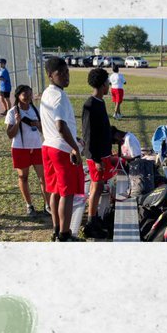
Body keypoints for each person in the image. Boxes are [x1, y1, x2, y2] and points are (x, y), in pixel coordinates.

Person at [39, 56, 85, 242]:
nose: (66, 76)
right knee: (67, 193)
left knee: (55, 191)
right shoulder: (59, 96)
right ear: (51, 75)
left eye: (67, 72)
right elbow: (60, 125)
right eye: (61, 73)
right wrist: (74, 147)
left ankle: (56, 229)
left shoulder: (46, 93)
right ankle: (65, 234)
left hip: (48, 146)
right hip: (61, 149)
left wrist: (73, 138)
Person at [81, 67, 117, 240]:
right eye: (108, 83)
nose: (109, 86)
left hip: (103, 153)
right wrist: (95, 159)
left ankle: (94, 218)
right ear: (103, 85)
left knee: (100, 185)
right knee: (96, 187)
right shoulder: (90, 104)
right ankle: (90, 222)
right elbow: (89, 135)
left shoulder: (100, 102)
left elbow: (102, 130)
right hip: (96, 156)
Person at [4, 85, 48, 218]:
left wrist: (38, 124)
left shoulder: (36, 110)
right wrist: (17, 123)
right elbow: (10, 134)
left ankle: (47, 205)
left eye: (30, 94)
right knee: (23, 177)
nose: (29, 97)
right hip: (20, 149)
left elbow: (43, 130)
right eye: (25, 94)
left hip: (37, 147)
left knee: (43, 177)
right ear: (18, 96)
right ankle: (29, 205)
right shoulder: (12, 112)